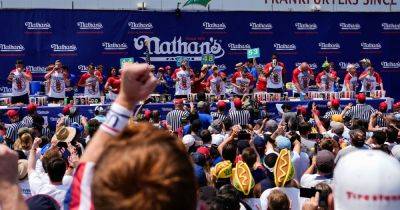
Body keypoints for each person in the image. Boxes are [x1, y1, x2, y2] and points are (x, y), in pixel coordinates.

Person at [28, 138, 69, 206]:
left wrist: (33, 148)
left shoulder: (39, 186)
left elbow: (30, 168)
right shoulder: (70, 190)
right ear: (65, 170)